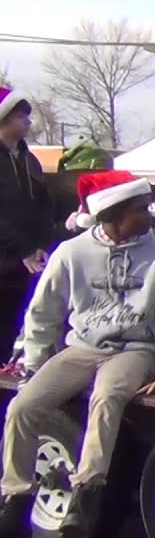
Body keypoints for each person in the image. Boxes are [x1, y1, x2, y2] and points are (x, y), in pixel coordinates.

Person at [0, 171, 155, 538]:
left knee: (107, 396)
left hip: (136, 348)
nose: (149, 215)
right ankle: (15, 496)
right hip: (82, 347)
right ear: (113, 215)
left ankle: (87, 493)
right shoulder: (72, 252)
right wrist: (34, 363)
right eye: (140, 210)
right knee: (24, 406)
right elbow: (44, 311)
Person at [0, 86, 54, 362]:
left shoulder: (30, 160)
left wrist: (40, 246)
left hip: (28, 265)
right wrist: (22, 248)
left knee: (14, 328)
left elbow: (45, 206)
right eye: (22, 115)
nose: (28, 122)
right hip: (6, 258)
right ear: (4, 118)